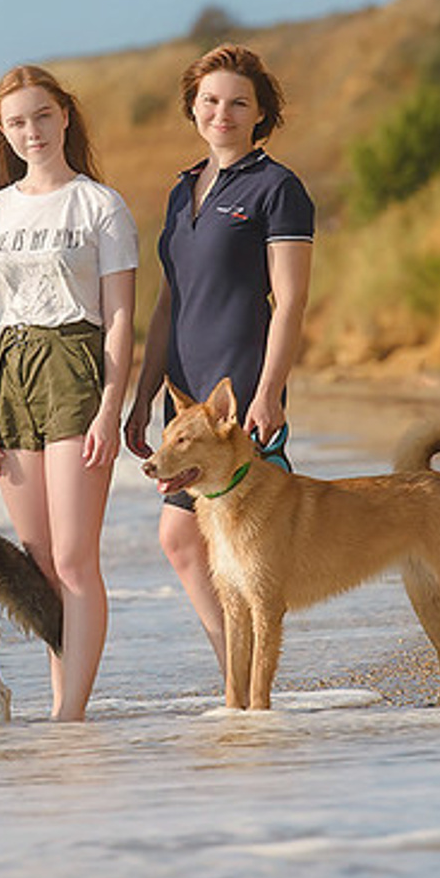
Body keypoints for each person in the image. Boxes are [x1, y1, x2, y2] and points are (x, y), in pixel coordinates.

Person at [123, 44, 314, 673]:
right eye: (209, 100)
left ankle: (243, 680)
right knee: (193, 542)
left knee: (213, 540)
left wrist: (269, 391)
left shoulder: (277, 189)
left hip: (239, 405)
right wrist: (145, 393)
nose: (222, 113)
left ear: (261, 114)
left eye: (238, 102)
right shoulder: (182, 192)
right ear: (193, 107)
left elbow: (289, 302)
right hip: (186, 404)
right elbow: (165, 306)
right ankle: (236, 676)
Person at [0, 66, 137, 721]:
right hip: (11, 374)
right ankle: (62, 698)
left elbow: (119, 315)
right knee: (37, 564)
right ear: (2, 132)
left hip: (74, 366)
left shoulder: (99, 205)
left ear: (65, 115)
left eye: (41, 116)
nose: (31, 132)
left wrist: (111, 408)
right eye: (16, 122)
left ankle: (72, 715)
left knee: (73, 555)